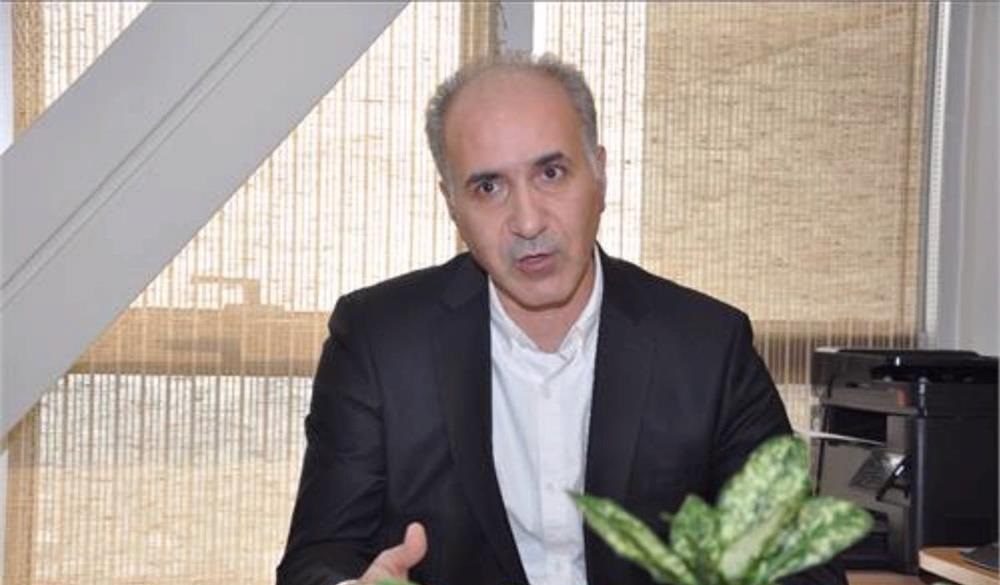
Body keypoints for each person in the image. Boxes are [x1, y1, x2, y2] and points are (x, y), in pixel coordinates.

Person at [277, 53, 846, 585]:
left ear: (599, 174)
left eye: (551, 173)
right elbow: (318, 558)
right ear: (452, 204)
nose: (527, 221)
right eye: (488, 187)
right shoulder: (377, 340)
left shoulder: (706, 347)